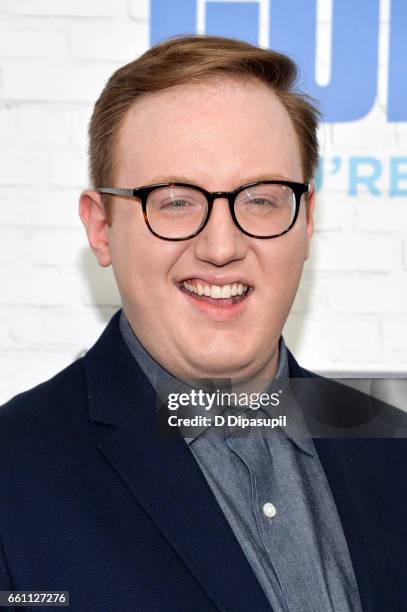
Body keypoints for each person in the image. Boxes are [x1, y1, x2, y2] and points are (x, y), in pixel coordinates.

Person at [0, 34, 406, 612]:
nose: (221, 246)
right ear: (101, 227)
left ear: (307, 220)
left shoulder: (393, 448)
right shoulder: (13, 478)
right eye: (174, 201)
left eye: (262, 199)